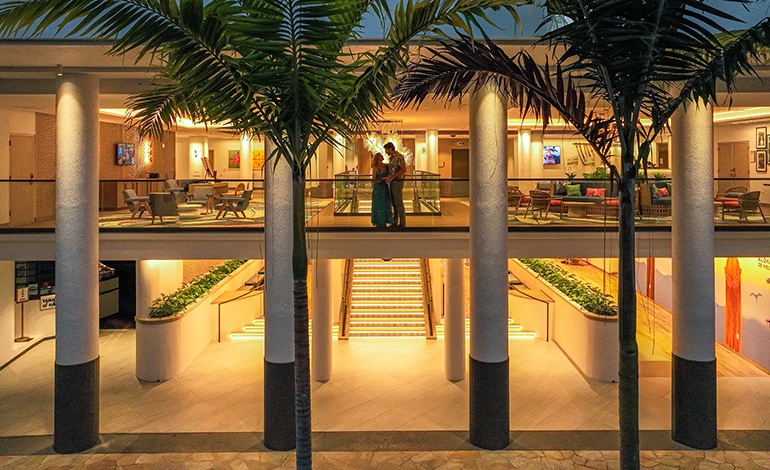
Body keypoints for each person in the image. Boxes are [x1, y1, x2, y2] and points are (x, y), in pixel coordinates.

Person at [383, 142, 407, 228]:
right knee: (394, 202)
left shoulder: (399, 157)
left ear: (390, 149)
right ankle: (395, 221)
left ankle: (402, 223)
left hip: (397, 182)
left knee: (398, 202)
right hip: (392, 182)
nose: (386, 152)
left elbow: (403, 169)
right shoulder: (391, 158)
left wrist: (393, 176)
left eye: (386, 150)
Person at [370, 153, 393, 228]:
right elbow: (373, 180)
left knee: (385, 203)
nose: (382, 157)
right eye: (381, 156)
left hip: (385, 187)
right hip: (378, 188)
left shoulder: (385, 166)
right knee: (378, 205)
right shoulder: (375, 168)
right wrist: (382, 179)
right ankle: (379, 222)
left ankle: (386, 220)